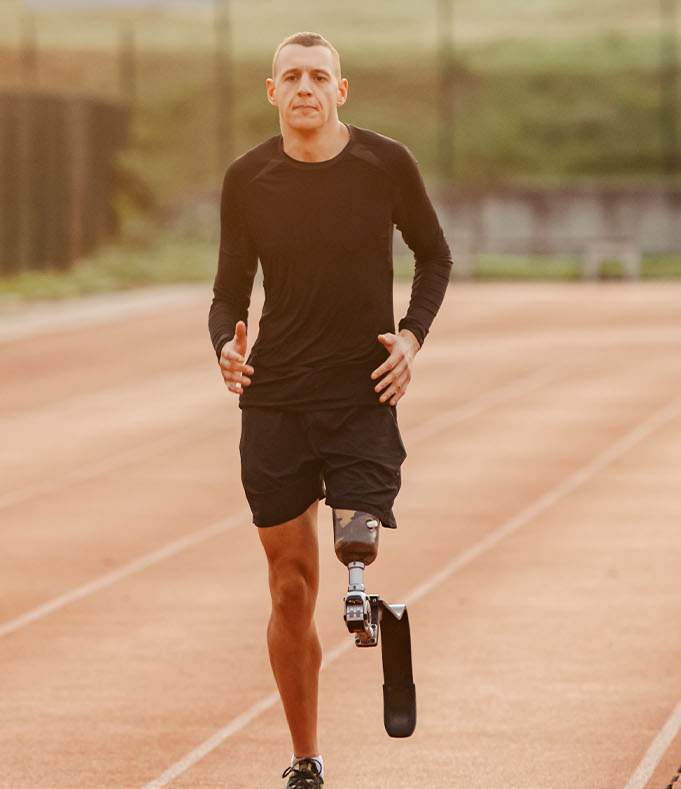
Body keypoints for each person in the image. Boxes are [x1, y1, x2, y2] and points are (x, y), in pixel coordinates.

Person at [206, 31, 453, 789]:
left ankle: (364, 591)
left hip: (360, 391)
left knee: (356, 536)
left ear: (339, 92)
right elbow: (227, 291)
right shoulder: (248, 179)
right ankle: (306, 758)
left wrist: (410, 340)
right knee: (287, 586)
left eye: (319, 76)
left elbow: (434, 256)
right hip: (276, 397)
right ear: (272, 91)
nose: (305, 87)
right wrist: (225, 345)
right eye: (292, 76)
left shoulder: (386, 165)